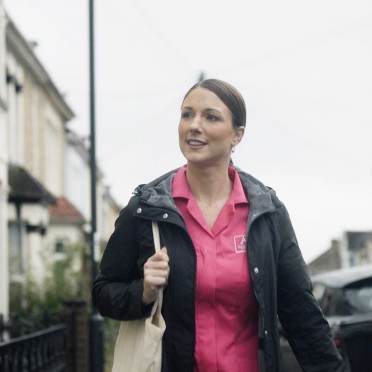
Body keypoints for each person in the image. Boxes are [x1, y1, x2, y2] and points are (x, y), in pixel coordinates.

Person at [92, 79, 347, 372]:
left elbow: (301, 314)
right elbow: (103, 292)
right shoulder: (146, 209)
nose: (194, 125)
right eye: (187, 114)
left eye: (210, 116)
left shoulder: (266, 212)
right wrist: (144, 291)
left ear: (237, 135)